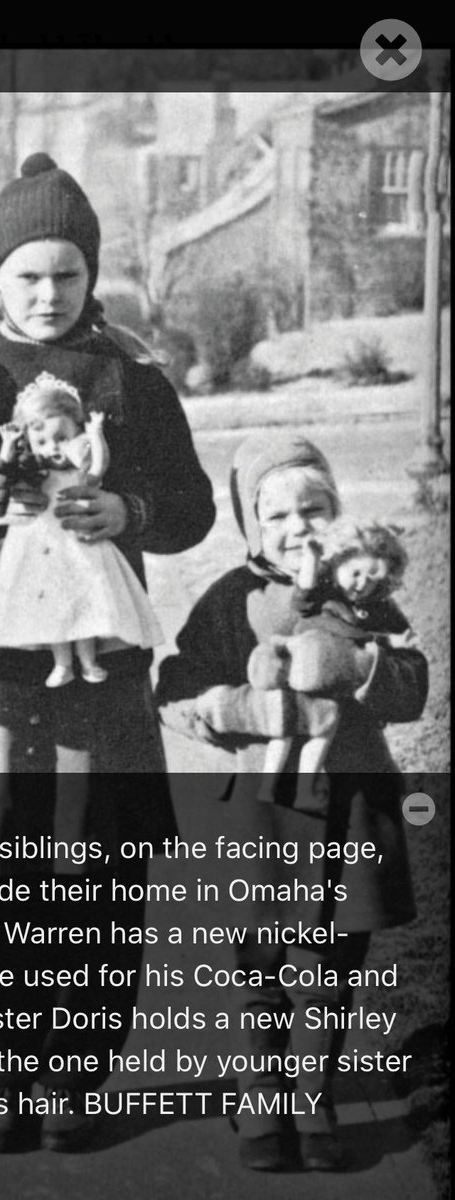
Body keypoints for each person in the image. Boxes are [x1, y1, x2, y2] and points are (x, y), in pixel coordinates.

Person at [0, 153, 215, 1151]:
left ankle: (75, 1076)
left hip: (96, 666)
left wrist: (129, 508)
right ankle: (1, 1076)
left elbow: (192, 508)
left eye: (65, 275)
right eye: (26, 275)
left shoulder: (132, 376)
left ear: (90, 276)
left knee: (97, 871)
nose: (46, 295)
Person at [155, 432, 428, 1172]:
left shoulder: (366, 596)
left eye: (314, 507)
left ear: (336, 512)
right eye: (275, 514)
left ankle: (313, 1092)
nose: (297, 526)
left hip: (346, 806)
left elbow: (412, 687)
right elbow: (173, 692)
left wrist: (363, 664)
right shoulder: (229, 601)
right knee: (258, 960)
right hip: (256, 809)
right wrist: (236, 707)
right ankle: (259, 1087)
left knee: (331, 964)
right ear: (250, 525)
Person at [0, 372, 162, 692]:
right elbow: (1, 477)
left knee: (85, 606)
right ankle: (62, 663)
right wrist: (7, 444)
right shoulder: (33, 475)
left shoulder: (77, 473)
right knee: (55, 609)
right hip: (40, 549)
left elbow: (98, 467)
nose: (53, 448)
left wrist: (96, 433)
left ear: (75, 434)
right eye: (42, 442)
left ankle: (88, 661)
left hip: (80, 549)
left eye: (61, 438)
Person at [248, 517, 412, 804]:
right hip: (298, 666)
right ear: (339, 562)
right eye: (356, 573)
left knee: (318, 734)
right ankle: (269, 786)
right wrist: (311, 557)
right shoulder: (325, 593)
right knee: (284, 731)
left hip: (324, 684)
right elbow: (304, 594)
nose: (362, 585)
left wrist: (393, 642)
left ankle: (301, 791)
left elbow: (368, 637)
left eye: (373, 581)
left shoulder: (365, 609)